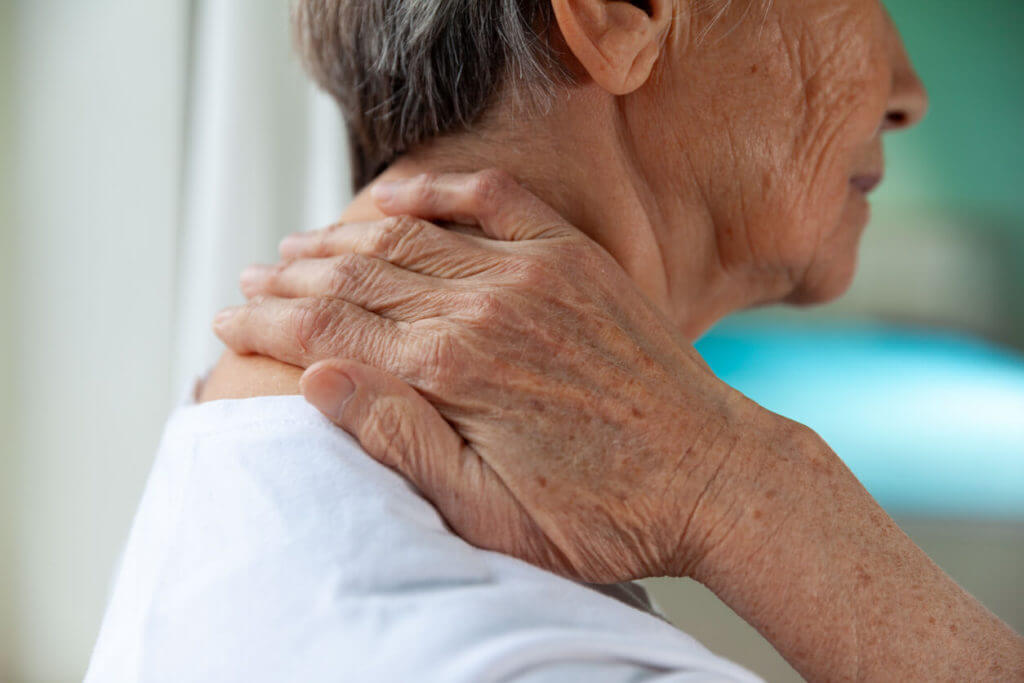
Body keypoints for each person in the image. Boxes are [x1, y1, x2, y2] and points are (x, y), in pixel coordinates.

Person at [88, 0, 1024, 681]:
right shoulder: (529, 655)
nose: (909, 91)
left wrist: (743, 489)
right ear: (622, 14)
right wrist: (739, 488)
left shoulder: (236, 457)